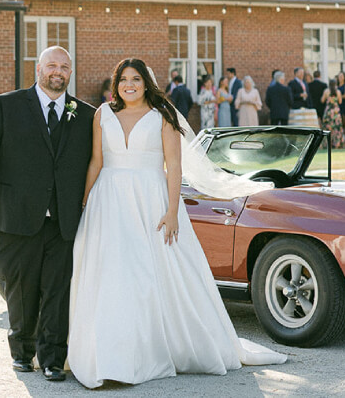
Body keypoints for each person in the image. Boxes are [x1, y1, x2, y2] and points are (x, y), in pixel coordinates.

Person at [67, 58, 286, 388]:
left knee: (151, 272)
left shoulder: (162, 116)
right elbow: (97, 161)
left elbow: (174, 166)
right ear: (116, 84)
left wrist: (172, 212)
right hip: (107, 202)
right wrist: (85, 202)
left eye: (136, 79)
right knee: (110, 272)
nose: (130, 85)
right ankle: (107, 354)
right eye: (124, 79)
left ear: (146, 83)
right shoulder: (102, 115)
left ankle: (150, 351)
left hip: (151, 200)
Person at [0, 46, 95, 382]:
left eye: (65, 67)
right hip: (15, 215)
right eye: (52, 65)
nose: (58, 72)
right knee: (20, 289)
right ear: (38, 69)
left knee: (57, 290)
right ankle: (22, 352)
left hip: (64, 219)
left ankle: (52, 358)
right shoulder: (6, 105)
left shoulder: (86, 114)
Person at [321, 78, 345, 149]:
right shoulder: (338, 92)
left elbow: (322, 100)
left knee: (327, 128)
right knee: (336, 128)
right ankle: (337, 144)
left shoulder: (326, 91)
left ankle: (327, 144)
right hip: (335, 112)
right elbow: (340, 102)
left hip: (328, 111)